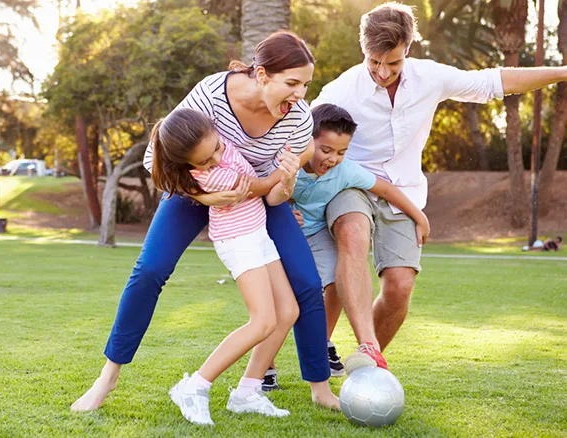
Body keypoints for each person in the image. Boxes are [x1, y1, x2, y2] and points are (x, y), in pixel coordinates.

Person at [72, 30, 340, 413]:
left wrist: (290, 173)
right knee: (150, 270)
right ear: (262, 75)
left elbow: (291, 169)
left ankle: (317, 387)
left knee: (307, 283)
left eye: (306, 84)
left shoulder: (295, 116)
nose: (300, 95)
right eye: (292, 83)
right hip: (192, 191)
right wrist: (207, 197)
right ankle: (108, 376)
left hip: (257, 194)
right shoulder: (212, 94)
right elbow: (156, 160)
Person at [311, 1, 567, 370]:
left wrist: (562, 71)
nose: (383, 72)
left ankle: (363, 366)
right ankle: (365, 345)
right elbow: (301, 133)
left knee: (399, 287)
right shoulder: (341, 90)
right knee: (352, 233)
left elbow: (496, 81)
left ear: (409, 50)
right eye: (374, 62)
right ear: (364, 51)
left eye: (393, 63)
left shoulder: (429, 77)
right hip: (352, 186)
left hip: (405, 192)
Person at [151, 108, 299, 425]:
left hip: (258, 234)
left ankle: (247, 391)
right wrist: (286, 170)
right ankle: (195, 386)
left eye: (216, 148)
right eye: (203, 162)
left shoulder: (219, 142)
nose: (216, 159)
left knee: (288, 312)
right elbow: (256, 187)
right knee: (262, 321)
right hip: (238, 240)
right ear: (189, 165)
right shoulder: (211, 175)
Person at [266, 104, 430, 385]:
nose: (333, 159)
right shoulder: (285, 161)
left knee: (338, 282)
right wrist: (283, 212)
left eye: (341, 152)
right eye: (326, 150)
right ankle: (265, 366)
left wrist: (419, 216)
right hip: (281, 234)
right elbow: (263, 195)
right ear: (308, 140)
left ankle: (321, 342)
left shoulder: (345, 172)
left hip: (316, 235)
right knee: (277, 299)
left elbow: (386, 189)